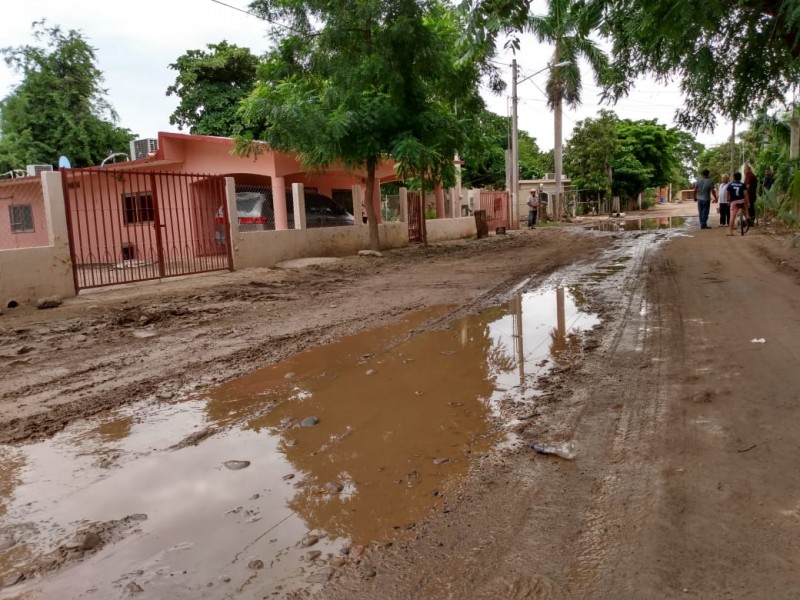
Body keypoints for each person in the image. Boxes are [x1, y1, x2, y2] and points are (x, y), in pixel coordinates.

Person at [726, 171, 750, 236]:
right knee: (745, 207)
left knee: (732, 217)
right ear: (740, 178)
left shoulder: (730, 185)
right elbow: (746, 194)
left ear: (734, 177)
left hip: (734, 202)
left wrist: (728, 200)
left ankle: (730, 232)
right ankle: (747, 216)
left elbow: (727, 193)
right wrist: (748, 203)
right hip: (741, 201)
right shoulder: (742, 185)